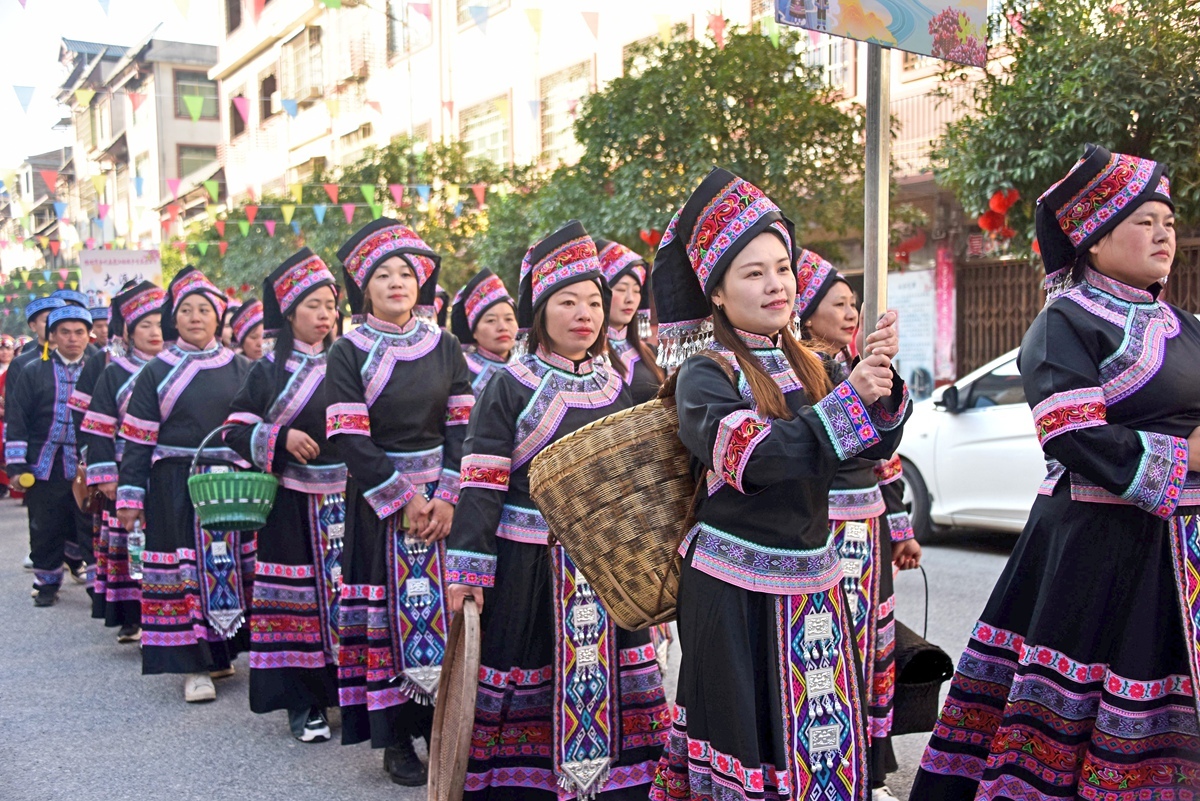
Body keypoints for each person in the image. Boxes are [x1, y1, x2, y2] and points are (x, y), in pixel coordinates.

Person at [913, 146, 1200, 797]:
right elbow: (1072, 432)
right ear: (1093, 239)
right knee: (1072, 729)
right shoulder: (1063, 322)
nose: (1164, 234)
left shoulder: (1186, 325)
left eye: (1170, 221)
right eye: (1144, 220)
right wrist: (1187, 456)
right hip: (1096, 552)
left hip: (1184, 555)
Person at [647, 168, 909, 801]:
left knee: (820, 752)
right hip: (733, 592)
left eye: (783, 268)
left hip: (813, 581)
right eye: (753, 272)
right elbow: (758, 458)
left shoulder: (810, 362)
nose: (776, 285)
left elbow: (866, 450)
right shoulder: (705, 375)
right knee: (747, 751)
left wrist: (880, 383)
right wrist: (849, 401)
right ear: (715, 292)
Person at [445, 221, 671, 800]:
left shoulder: (616, 382)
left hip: (605, 572)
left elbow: (634, 488)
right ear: (539, 310)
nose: (584, 314)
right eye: (567, 301)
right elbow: (481, 485)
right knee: (528, 690)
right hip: (529, 572)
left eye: (594, 301)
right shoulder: (509, 385)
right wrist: (468, 577)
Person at [326, 218, 473, 785]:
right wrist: (402, 498)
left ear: (422, 283)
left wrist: (448, 495)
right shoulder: (348, 350)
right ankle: (396, 740)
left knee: (450, 613)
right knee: (390, 616)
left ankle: (450, 728)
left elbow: (464, 425)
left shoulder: (445, 346)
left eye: (406, 273)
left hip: (442, 502)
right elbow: (348, 436)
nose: (396, 282)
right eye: (383, 274)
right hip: (379, 504)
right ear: (364, 287)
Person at [795, 249, 921, 801]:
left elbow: (884, 460)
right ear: (806, 312)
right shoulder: (799, 374)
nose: (851, 314)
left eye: (854, 304)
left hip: (868, 532)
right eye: (837, 304)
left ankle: (869, 768)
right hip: (820, 529)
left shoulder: (855, 369)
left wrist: (901, 528)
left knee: (871, 647)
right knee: (826, 651)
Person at [115, 266, 254, 703]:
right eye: (187, 310)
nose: (196, 317)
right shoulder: (156, 372)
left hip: (230, 484)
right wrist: (130, 496)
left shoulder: (243, 368)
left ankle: (220, 652)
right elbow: (136, 438)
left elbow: (258, 428)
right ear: (174, 318)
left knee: (225, 567)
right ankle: (192, 666)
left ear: (219, 318)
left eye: (205, 310)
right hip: (175, 480)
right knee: (185, 569)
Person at [224, 248, 345, 744]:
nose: (324, 316)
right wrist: (279, 439)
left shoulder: (351, 359)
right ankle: (303, 702)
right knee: (296, 600)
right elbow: (235, 427)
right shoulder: (267, 371)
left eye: (330, 306)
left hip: (349, 499)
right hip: (291, 502)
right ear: (290, 312)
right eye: (313, 305)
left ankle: (349, 693)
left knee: (349, 595)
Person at [78, 281, 166, 642]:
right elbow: (98, 427)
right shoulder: (114, 372)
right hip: (125, 468)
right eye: (145, 325)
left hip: (167, 470)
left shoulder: (178, 367)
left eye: (160, 323)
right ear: (128, 330)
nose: (154, 332)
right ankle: (134, 615)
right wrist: (105, 475)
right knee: (132, 544)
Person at [6, 304, 96, 607]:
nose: (72, 339)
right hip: (46, 463)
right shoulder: (32, 371)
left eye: (79, 332)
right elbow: (17, 421)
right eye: (65, 332)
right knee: (45, 525)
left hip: (89, 463)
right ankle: (46, 583)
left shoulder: (101, 369)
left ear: (88, 335)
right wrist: (16, 466)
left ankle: (99, 589)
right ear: (52, 336)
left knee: (90, 525)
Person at [597, 237, 665, 404]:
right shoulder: (588, 356)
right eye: (621, 289)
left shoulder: (651, 353)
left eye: (636, 291)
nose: (630, 299)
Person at [448, 267, 518, 396]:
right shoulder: (459, 370)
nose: (502, 327)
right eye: (491, 321)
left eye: (509, 319)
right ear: (473, 331)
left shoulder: (527, 367)